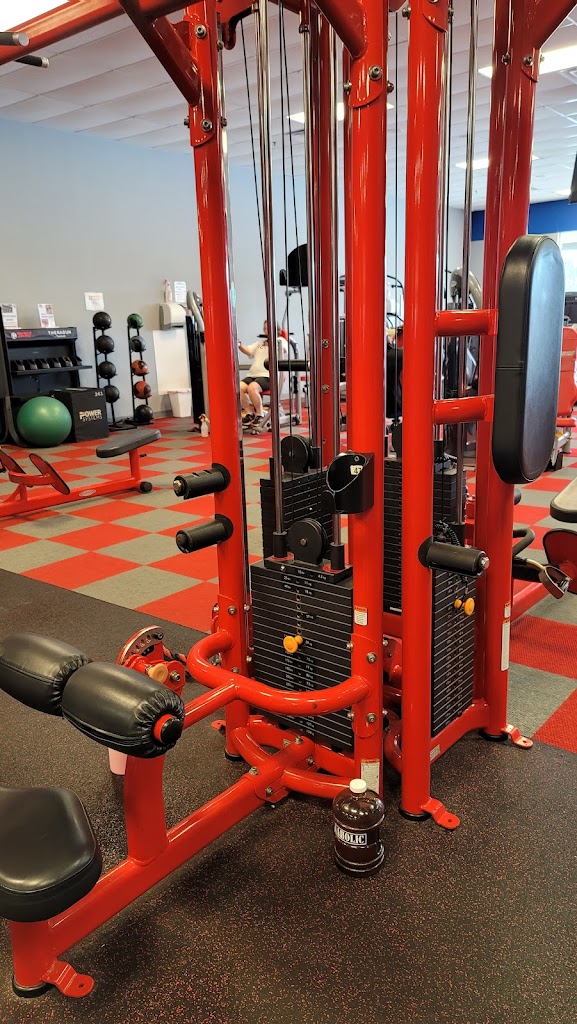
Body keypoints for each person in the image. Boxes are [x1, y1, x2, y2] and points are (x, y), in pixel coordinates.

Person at [239, 321, 288, 427]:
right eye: (265, 328)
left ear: (276, 329)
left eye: (268, 328)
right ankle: (248, 413)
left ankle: (260, 414)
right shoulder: (260, 343)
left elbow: (283, 350)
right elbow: (248, 350)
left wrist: (272, 341)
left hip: (268, 376)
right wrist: (239, 344)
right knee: (238, 388)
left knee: (252, 388)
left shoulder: (280, 341)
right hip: (253, 375)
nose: (266, 330)